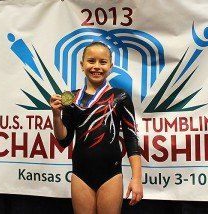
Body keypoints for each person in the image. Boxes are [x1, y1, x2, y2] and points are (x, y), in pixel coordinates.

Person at [49, 42, 143, 214]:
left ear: (110, 66)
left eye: (103, 62)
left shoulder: (120, 96)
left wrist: (137, 179)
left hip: (111, 175)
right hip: (80, 175)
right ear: (82, 64)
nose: (96, 67)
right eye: (91, 61)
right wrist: (56, 115)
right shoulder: (72, 99)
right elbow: (64, 140)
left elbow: (131, 139)